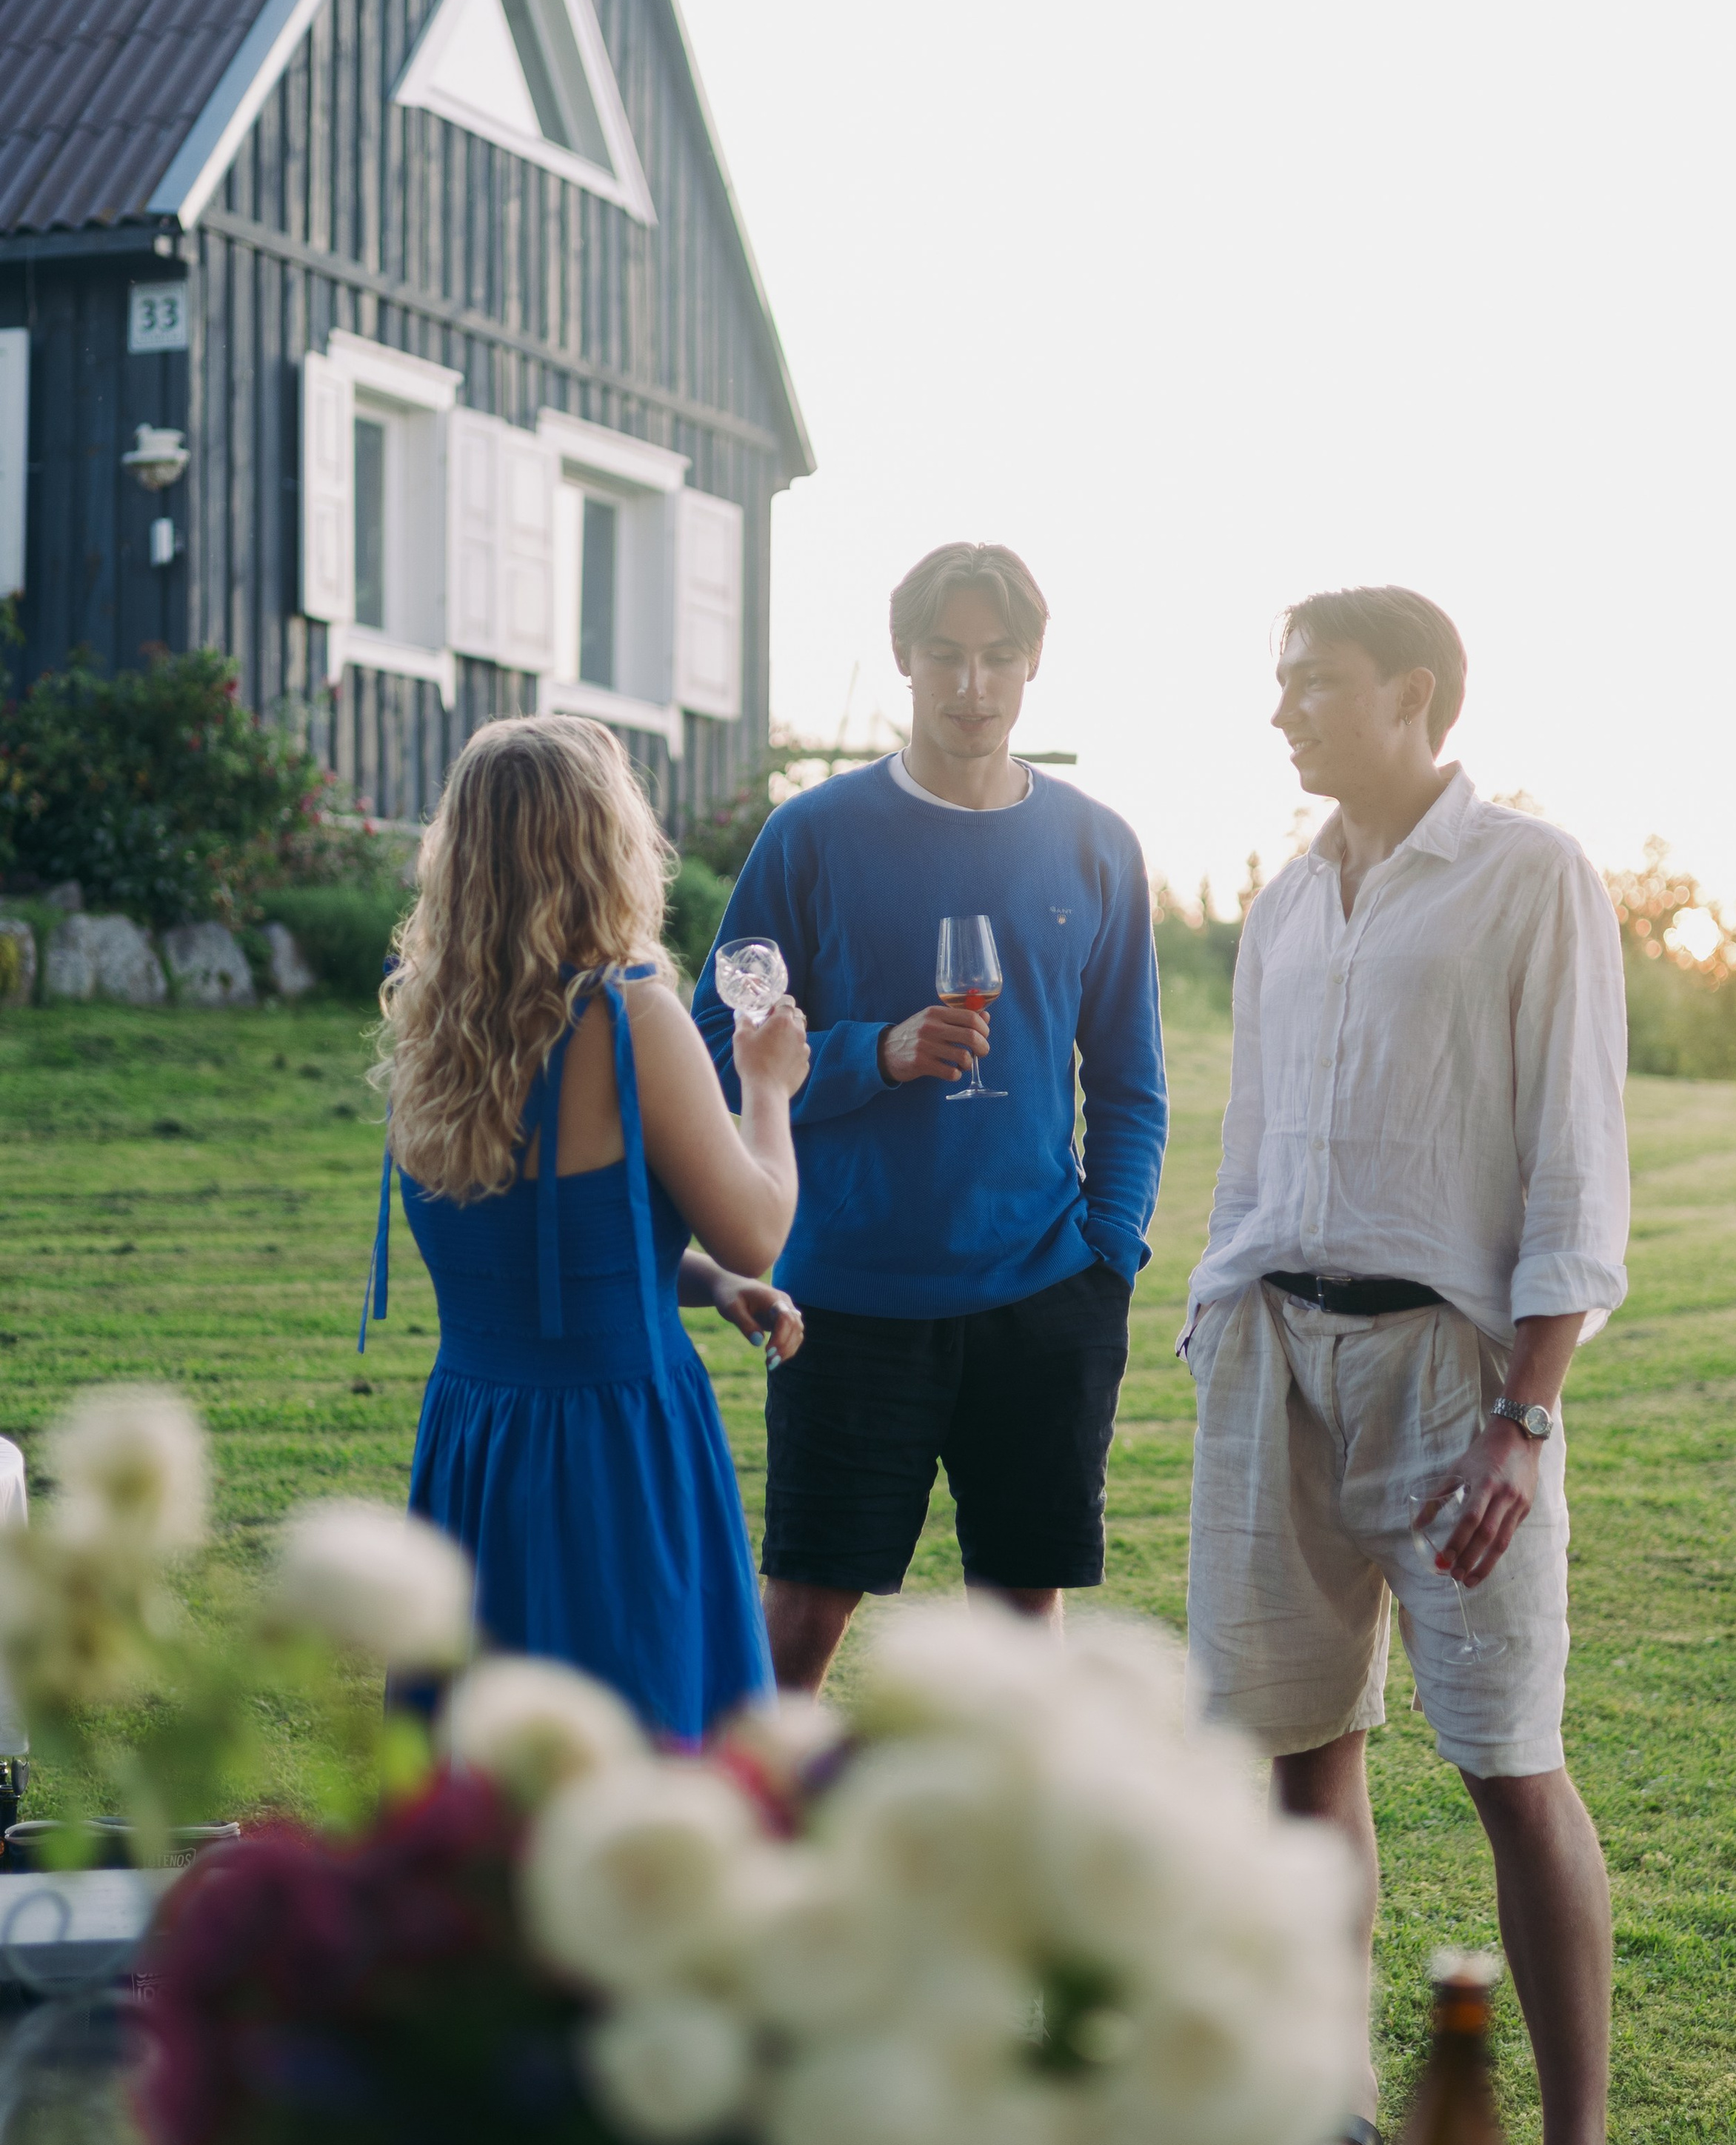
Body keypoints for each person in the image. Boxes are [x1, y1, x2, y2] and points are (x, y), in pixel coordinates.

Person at [1184, 587, 1629, 2145]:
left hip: (1453, 1380)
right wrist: (1215, 1318)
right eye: (1279, 683)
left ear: (1414, 697)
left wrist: (1525, 1413)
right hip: (1273, 1364)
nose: (1282, 713)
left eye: (1313, 686)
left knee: (1509, 1761)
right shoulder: (1286, 900)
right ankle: (1332, 2120)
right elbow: (1251, 1139)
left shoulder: (1529, 877)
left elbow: (1575, 1162)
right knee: (1301, 1760)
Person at [691, 541, 1168, 1689]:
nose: (971, 687)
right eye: (945, 657)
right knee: (799, 1621)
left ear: (1033, 664)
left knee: (1023, 1632)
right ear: (902, 659)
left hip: (1046, 1296)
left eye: (998, 658)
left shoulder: (1098, 846)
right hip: (849, 1298)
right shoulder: (810, 839)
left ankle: (1010, 1869)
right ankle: (741, 1850)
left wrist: (1108, 1259)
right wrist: (874, 1053)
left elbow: (1131, 1083)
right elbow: (717, 1047)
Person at [367, 713, 809, 1740]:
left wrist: (693, 1282)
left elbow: (547, 1243)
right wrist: (768, 1087)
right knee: (632, 1743)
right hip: (613, 1445)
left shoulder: (431, 1024)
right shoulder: (629, 1019)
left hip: (478, 1439)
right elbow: (760, 1229)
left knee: (482, 1780)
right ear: (604, 847)